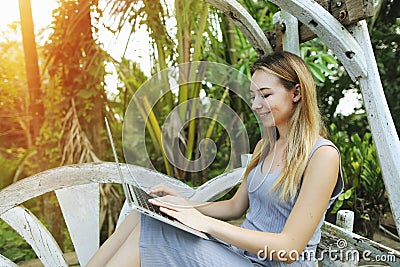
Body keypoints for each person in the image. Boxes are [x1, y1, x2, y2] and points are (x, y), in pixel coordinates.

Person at [87, 51, 343, 267]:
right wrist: (183, 205)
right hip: (241, 256)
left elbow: (289, 248)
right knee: (145, 215)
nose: (255, 104)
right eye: (253, 96)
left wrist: (205, 224)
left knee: (153, 232)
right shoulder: (265, 146)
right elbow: (235, 207)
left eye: (265, 95)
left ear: (296, 93)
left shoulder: (322, 156)